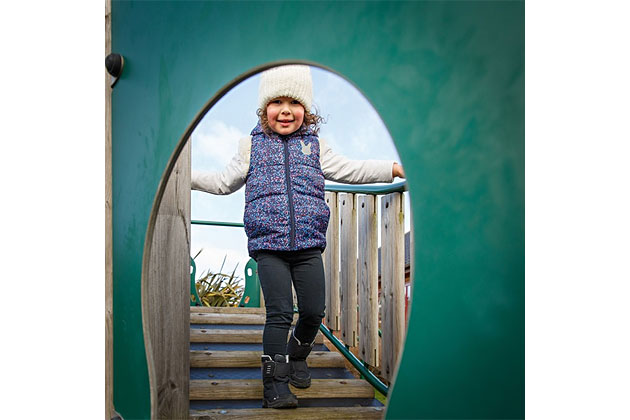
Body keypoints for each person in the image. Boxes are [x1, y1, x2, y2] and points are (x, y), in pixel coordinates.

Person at [192, 65, 405, 409]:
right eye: (277, 101)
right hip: (269, 246)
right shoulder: (251, 146)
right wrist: (184, 175)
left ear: (307, 110)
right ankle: (274, 385)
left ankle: (297, 355)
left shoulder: (316, 147)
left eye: (295, 102)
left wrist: (392, 168)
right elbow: (222, 182)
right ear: (264, 109)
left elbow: (351, 170)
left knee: (313, 312)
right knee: (278, 314)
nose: (286, 110)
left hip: (307, 245)